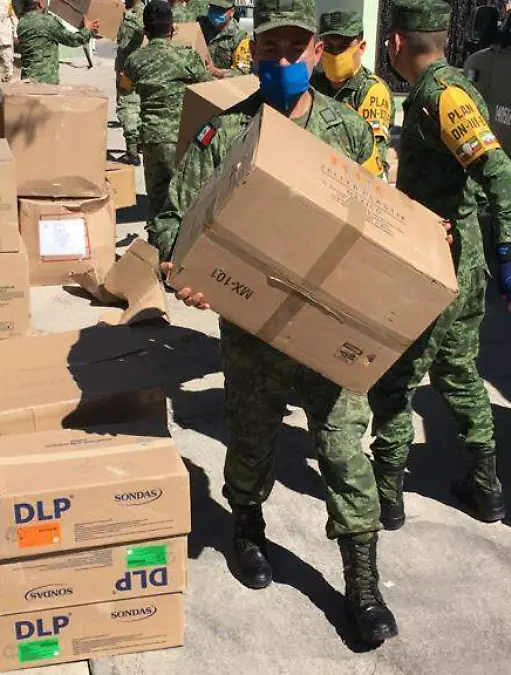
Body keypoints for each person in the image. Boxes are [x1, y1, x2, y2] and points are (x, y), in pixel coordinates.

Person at [150, 0, 400, 645]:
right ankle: (247, 530)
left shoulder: (349, 130)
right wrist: (183, 271)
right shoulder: (225, 132)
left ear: (317, 51)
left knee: (342, 447)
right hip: (251, 322)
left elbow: (382, 217)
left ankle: (362, 582)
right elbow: (173, 218)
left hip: (329, 323)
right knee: (252, 434)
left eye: (294, 49)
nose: (282, 61)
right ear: (253, 52)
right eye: (270, 50)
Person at [370, 0, 511, 530]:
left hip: (434, 261)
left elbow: (499, 173)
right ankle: (486, 489)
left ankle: (387, 494)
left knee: (396, 376)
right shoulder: (448, 88)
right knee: (459, 371)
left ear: (396, 42)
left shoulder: (441, 96)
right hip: (459, 261)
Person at [124, 0, 211, 220]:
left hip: (150, 138)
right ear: (172, 28)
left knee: (157, 202)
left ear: (146, 32)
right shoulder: (186, 56)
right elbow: (207, 84)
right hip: (177, 138)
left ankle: (156, 239)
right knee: (184, 201)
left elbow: (124, 86)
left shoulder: (134, 60)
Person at [311, 9, 394, 179]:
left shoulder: (371, 91)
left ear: (361, 47)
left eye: (343, 47)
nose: (335, 54)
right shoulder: (313, 83)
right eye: (329, 47)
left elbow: (372, 154)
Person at [15, 0, 100, 84]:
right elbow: (74, 40)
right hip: (45, 80)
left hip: (27, 78)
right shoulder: (47, 22)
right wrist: (87, 29)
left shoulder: (22, 22)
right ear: (40, 3)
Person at [115, 0, 146, 165]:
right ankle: (139, 144)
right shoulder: (138, 11)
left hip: (128, 72)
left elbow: (127, 43)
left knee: (127, 105)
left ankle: (132, 152)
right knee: (137, 104)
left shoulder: (134, 14)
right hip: (135, 68)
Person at [199, 0, 251, 78]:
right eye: (213, 8)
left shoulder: (240, 35)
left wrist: (216, 72)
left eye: (220, 10)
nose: (215, 12)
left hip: (222, 82)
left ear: (232, 11)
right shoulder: (201, 24)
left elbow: (243, 72)